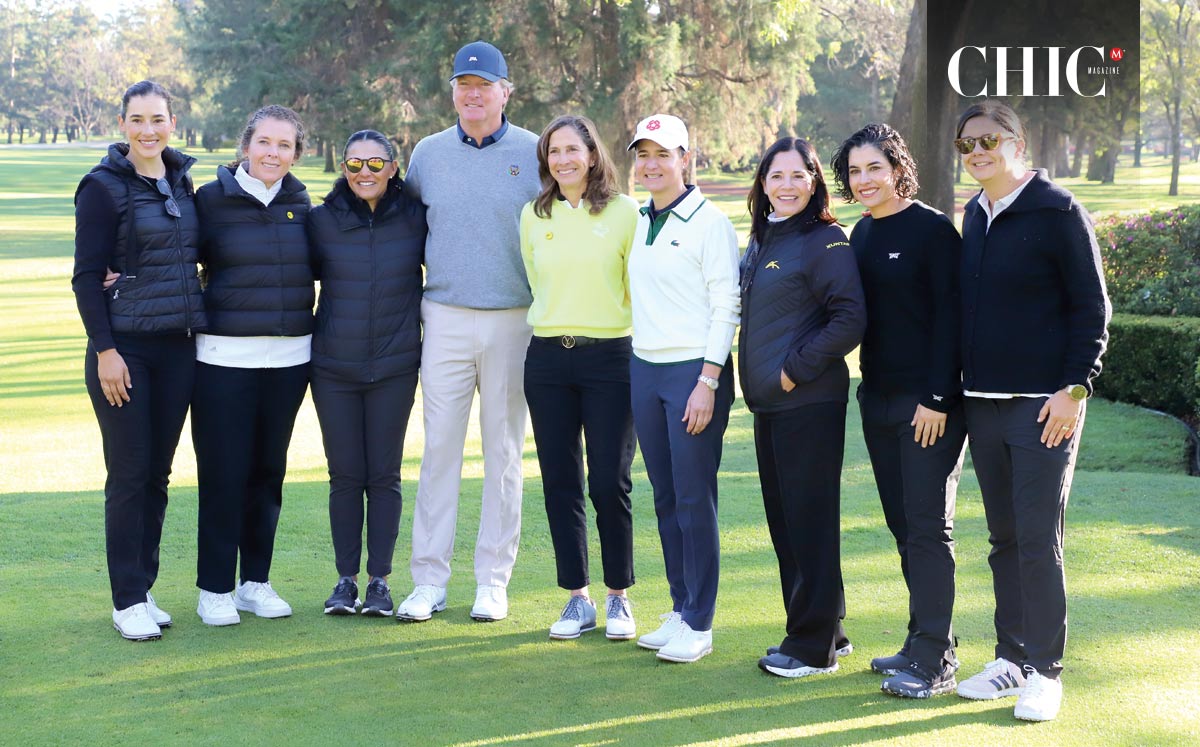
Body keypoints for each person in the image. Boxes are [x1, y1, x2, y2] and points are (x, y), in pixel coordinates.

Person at [952, 100, 1110, 722]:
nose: (978, 152)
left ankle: (1045, 671)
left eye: (989, 139)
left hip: (1045, 407)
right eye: (967, 145)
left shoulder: (1058, 209)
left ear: (1018, 141)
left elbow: (1091, 308)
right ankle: (1012, 658)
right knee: (1004, 539)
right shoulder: (974, 213)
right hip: (982, 406)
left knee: (1039, 540)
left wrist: (1076, 388)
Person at [395, 41, 540, 623]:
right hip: (446, 317)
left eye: (484, 84)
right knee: (439, 453)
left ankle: (492, 581)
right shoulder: (427, 154)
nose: (473, 93)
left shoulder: (534, 151)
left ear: (506, 90)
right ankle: (428, 581)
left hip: (514, 319)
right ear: (452, 91)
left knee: (503, 453)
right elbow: (403, 229)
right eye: (463, 83)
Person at [831, 123, 966, 698]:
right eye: (855, 172)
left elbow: (953, 321)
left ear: (897, 168)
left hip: (928, 405)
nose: (865, 181)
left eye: (873, 168)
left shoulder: (933, 230)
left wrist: (937, 398)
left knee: (929, 528)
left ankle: (937, 659)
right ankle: (922, 639)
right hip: (878, 398)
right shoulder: (860, 234)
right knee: (902, 524)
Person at [72, 80, 206, 641]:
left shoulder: (182, 180)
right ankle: (126, 599)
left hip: (178, 348)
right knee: (128, 475)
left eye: (158, 119)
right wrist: (106, 352)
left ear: (173, 123)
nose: (148, 130)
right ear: (122, 124)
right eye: (137, 120)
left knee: (157, 475)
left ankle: (143, 589)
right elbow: (85, 276)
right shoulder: (101, 188)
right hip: (124, 351)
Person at [739, 136, 866, 679]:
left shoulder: (824, 239)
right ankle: (828, 629)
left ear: (813, 182)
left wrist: (793, 371)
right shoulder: (767, 236)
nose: (786, 186)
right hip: (772, 407)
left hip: (807, 403)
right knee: (789, 523)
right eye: (776, 176)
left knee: (808, 523)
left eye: (797, 176)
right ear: (763, 184)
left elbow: (850, 318)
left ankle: (811, 648)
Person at [191, 105, 314, 626]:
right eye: (264, 142)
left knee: (268, 473)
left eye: (284, 146)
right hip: (222, 360)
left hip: (288, 362)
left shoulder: (302, 202)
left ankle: (254, 583)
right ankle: (214, 588)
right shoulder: (209, 201)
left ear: (295, 154)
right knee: (223, 473)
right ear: (246, 146)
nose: (272, 153)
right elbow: (175, 259)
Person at [520, 115, 641, 640]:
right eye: (553, 151)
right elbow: (535, 279)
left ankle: (618, 597)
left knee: (609, 481)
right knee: (559, 481)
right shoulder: (532, 213)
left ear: (593, 155)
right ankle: (577, 598)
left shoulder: (625, 213)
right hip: (547, 360)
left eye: (573, 149)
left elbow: (637, 288)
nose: (563, 159)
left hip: (610, 360)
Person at [625, 114, 740, 663]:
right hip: (644, 369)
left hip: (693, 374)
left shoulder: (709, 222)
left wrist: (708, 381)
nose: (651, 164)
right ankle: (680, 605)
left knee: (695, 498)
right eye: (643, 154)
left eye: (662, 154)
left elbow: (727, 305)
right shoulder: (640, 217)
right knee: (666, 497)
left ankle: (700, 621)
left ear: (685, 159)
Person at [308, 130, 426, 617]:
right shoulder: (321, 220)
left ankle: (379, 581)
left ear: (393, 169)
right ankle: (345, 580)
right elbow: (275, 267)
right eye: (354, 164)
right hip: (334, 367)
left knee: (383, 475)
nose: (364, 174)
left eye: (375, 164)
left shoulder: (417, 218)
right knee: (344, 476)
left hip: (395, 366)